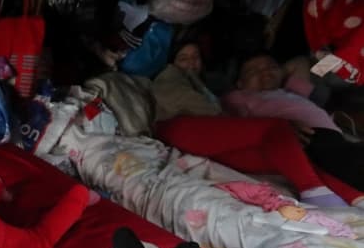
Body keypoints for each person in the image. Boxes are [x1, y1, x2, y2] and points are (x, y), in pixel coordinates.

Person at [153, 48, 364, 207]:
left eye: (270, 67)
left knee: (350, 160)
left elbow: (304, 63)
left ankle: (351, 199)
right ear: (240, 82)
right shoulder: (239, 97)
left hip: (328, 140)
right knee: (349, 163)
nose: (265, 73)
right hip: (307, 138)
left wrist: (282, 69)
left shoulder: (292, 92)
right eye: (254, 71)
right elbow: (233, 126)